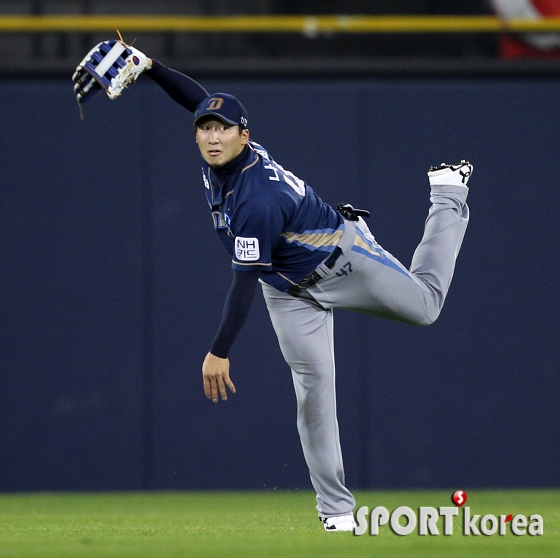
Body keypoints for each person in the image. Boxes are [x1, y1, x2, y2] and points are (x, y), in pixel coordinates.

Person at [141, 56, 472, 532]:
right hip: (290, 291)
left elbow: (242, 281)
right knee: (312, 396)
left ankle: (448, 193)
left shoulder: (256, 197)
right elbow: (193, 98)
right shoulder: (220, 158)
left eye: (223, 129)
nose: (213, 136)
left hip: (344, 261)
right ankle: (336, 512)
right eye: (205, 129)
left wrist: (219, 351)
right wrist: (150, 66)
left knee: (426, 307)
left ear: (244, 136)